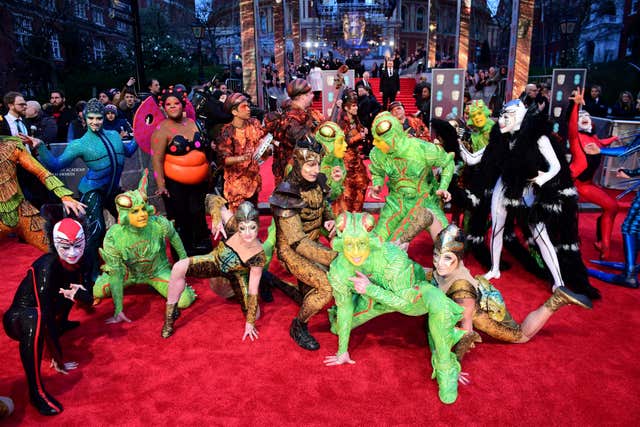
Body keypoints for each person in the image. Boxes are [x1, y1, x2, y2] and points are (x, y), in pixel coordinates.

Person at [325, 212, 464, 404]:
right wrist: (342, 351)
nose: (356, 252)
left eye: (362, 244)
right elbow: (344, 307)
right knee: (337, 328)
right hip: (373, 300)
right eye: (349, 244)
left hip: (411, 291)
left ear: (370, 241)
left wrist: (371, 289)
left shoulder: (392, 257)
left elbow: (407, 306)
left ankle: (446, 366)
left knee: (438, 302)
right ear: (341, 243)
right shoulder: (339, 270)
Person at [481, 100, 600, 299]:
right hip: (505, 184)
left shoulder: (538, 137)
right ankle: (494, 268)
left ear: (519, 115)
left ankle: (559, 282)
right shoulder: (501, 138)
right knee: (497, 226)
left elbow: (556, 166)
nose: (501, 120)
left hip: (528, 185)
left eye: (506, 115)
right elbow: (481, 156)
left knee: (540, 233)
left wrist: (541, 178)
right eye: (501, 115)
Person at [430, 224, 592, 360]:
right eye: (436, 256)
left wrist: (453, 365)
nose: (439, 263)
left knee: (521, 335)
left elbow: (466, 334)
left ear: (458, 258)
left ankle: (557, 300)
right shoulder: (447, 262)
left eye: (447, 258)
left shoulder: (462, 292)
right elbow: (430, 218)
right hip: (478, 290)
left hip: (485, 311)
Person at [31, 98, 138, 282]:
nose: (95, 122)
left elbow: (128, 151)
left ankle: (130, 265)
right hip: (92, 190)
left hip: (112, 190)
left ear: (104, 118)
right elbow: (55, 165)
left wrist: (140, 135)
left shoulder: (113, 135)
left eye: (99, 118)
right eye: (91, 118)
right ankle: (92, 274)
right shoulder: (79, 144)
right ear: (85, 119)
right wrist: (40, 146)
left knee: (129, 225)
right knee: (97, 229)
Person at [3, 211, 93, 415]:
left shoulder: (85, 259)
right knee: (35, 316)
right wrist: (57, 356)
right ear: (55, 244)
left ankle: (62, 325)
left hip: (48, 309)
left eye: (77, 245)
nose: (72, 252)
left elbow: (89, 298)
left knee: (70, 288)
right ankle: (36, 392)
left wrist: (79, 293)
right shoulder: (46, 266)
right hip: (20, 318)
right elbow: (43, 313)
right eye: (65, 246)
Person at [93, 170, 196, 323]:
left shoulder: (158, 224)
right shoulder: (114, 236)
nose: (142, 214)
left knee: (184, 300)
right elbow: (115, 272)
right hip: (127, 274)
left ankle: (157, 284)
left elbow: (174, 236)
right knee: (98, 291)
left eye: (143, 209)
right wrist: (119, 309)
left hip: (157, 271)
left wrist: (183, 262)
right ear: (124, 214)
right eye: (135, 211)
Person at [162, 199, 265, 340]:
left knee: (255, 314)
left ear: (258, 226)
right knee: (178, 267)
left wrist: (250, 322)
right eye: (243, 228)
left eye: (252, 227)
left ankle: (237, 293)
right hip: (214, 261)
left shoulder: (257, 256)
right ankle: (170, 316)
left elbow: (253, 291)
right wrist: (216, 218)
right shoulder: (231, 224)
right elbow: (211, 199)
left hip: (238, 275)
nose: (247, 233)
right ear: (238, 224)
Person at [269, 139, 337, 350]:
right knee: (326, 287)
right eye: (309, 165)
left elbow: (323, 203)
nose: (315, 170)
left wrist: (330, 218)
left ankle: (276, 282)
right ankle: (298, 326)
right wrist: (333, 257)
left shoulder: (317, 181)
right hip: (292, 250)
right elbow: (297, 243)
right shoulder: (286, 193)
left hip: (312, 243)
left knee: (308, 291)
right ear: (298, 163)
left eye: (317, 164)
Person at [369, 112, 454, 244]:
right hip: (396, 202)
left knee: (448, 243)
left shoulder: (420, 147)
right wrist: (377, 184)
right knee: (377, 243)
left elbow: (447, 162)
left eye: (382, 140)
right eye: (376, 140)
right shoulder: (377, 153)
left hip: (424, 201)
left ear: (395, 135)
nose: (378, 144)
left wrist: (443, 187)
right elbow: (377, 171)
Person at [151, 86, 212, 256]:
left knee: (198, 212)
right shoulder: (161, 129)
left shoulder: (193, 123)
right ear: (163, 107)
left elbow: (204, 151)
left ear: (182, 105)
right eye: (168, 104)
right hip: (175, 184)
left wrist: (208, 172)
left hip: (198, 183)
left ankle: (201, 247)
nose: (172, 106)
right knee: (182, 216)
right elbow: (157, 159)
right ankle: (183, 252)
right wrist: (161, 185)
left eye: (176, 103)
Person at [0, 135, 85, 251]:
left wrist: (64, 196)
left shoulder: (12, 146)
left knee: (58, 249)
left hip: (22, 212)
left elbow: (42, 173)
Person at [567, 87, 619, 259]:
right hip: (572, 183)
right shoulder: (576, 138)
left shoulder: (595, 139)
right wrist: (575, 107)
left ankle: (603, 244)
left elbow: (602, 142)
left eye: (587, 117)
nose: (584, 119)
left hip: (586, 185)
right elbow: (572, 127)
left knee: (612, 206)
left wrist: (614, 139)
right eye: (581, 117)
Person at [216, 93, 269, 210]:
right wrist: (243, 158)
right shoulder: (227, 132)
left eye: (248, 106)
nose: (248, 109)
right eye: (244, 107)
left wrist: (265, 150)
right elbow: (224, 159)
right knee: (240, 221)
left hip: (253, 181)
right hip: (236, 185)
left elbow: (262, 144)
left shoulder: (254, 124)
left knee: (253, 218)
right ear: (234, 112)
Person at [267, 78, 324, 186]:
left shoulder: (303, 113)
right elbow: (306, 142)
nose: (313, 95)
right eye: (310, 93)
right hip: (294, 176)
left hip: (302, 172)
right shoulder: (292, 118)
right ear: (302, 96)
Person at [336, 90, 369, 212]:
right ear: (346, 107)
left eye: (356, 105)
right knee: (347, 192)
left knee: (361, 186)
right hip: (345, 162)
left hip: (356, 160)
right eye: (353, 105)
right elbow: (343, 141)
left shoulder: (356, 120)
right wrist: (359, 136)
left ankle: (357, 215)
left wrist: (363, 134)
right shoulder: (341, 122)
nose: (356, 108)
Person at [315, 121, 347, 209]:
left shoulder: (338, 161)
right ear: (328, 145)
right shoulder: (311, 163)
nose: (345, 145)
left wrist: (335, 183)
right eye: (340, 142)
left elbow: (333, 195)